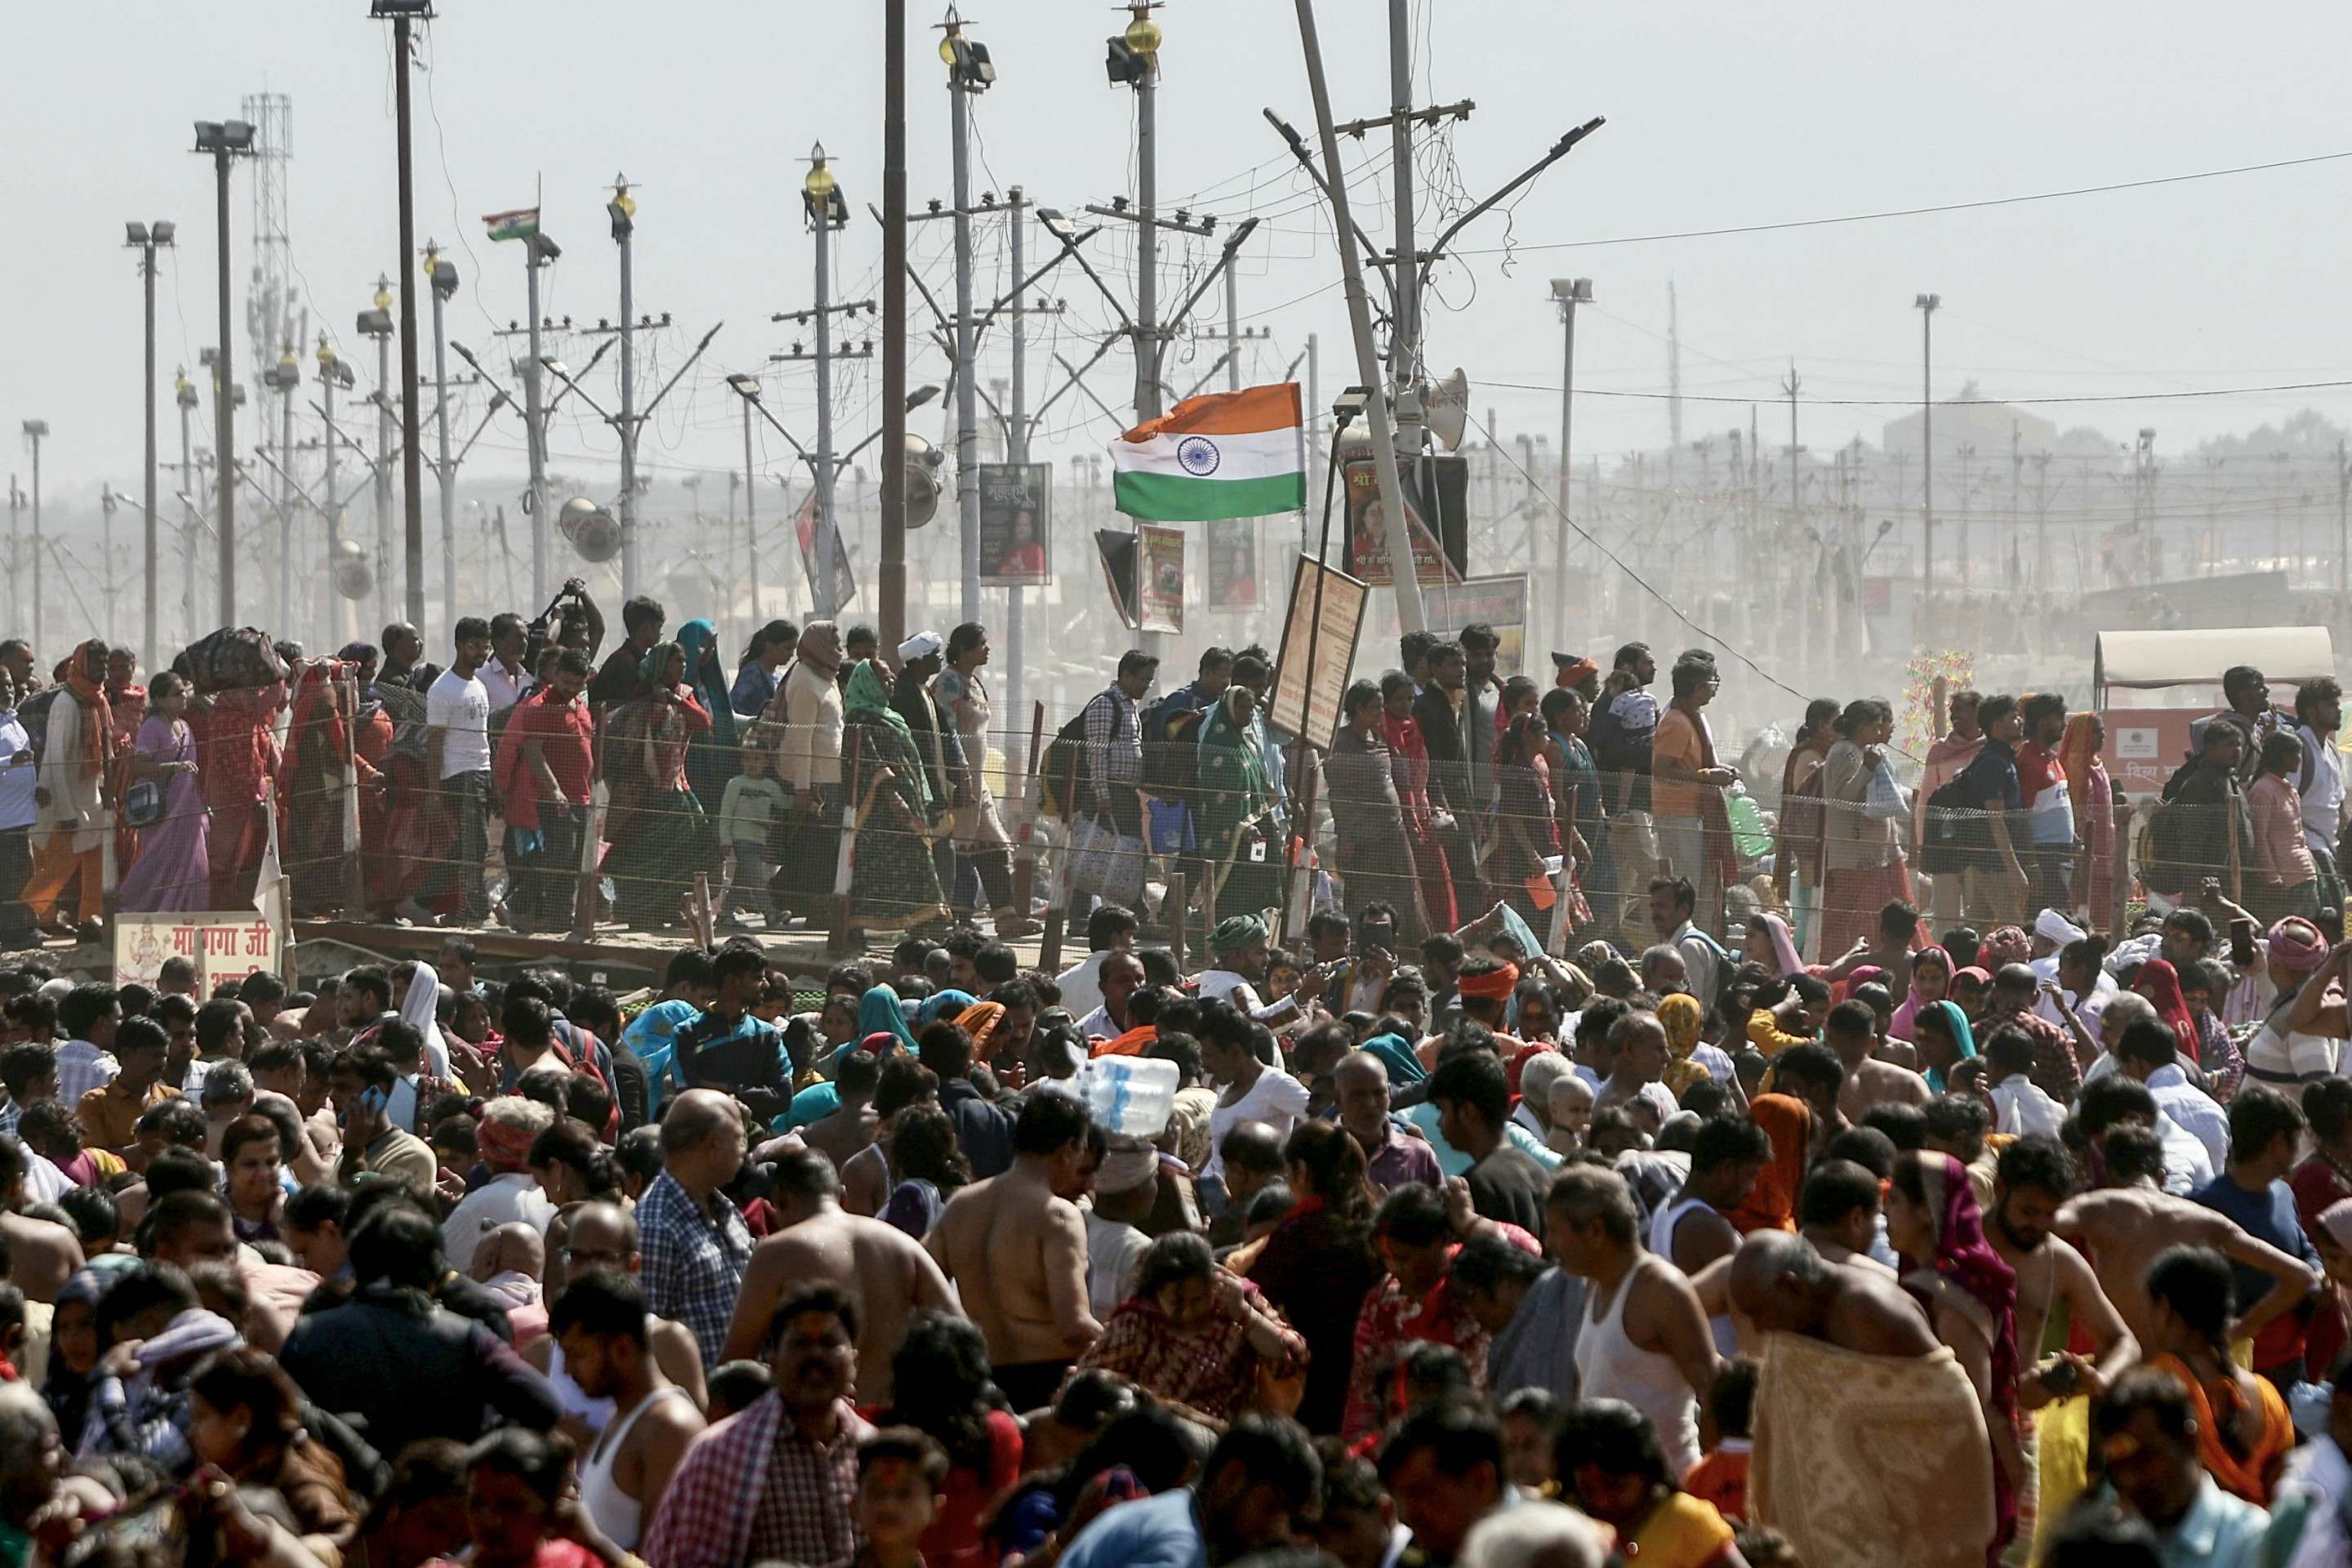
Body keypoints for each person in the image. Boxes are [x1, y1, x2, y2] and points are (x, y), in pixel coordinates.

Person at [1726, 1230, 1998, 1568]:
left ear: (1792, 1286)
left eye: (1760, 1312)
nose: (1761, 1328)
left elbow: (1950, 1408)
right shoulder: (1804, 1318)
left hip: (1891, 1529)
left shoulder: (1867, 1312)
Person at [278, 1202, 560, 1458]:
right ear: (433, 1274)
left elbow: (278, 1412)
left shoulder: (309, 1333)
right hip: (441, 1498)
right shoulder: (468, 1338)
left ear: (357, 1267)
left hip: (342, 1499)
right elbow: (544, 1407)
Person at [643, 1282, 875, 1568]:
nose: (815, 1356)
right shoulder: (720, 1455)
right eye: (801, 1343)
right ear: (773, 1363)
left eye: (828, 1343)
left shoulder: (872, 1449)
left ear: (854, 1363)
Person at [2055, 1122, 2320, 1349]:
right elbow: (2301, 1275)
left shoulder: (2097, 1207)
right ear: (2162, 1177)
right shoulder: (2205, 1220)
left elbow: (2045, 1224)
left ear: (2111, 1176)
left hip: (2120, 1382)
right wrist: (2241, 1329)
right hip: (2183, 1383)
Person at [722, 1150, 956, 1406]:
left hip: (817, 1425)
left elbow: (736, 1362)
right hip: (892, 1425)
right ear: (843, 1196)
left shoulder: (777, 1253)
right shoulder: (902, 1245)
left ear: (780, 1199)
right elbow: (961, 1336)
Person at [924, 1090, 1104, 1412]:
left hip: (982, 1383)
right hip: (1049, 1383)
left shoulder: (960, 1206)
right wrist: (1125, 1342)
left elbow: (921, 1282)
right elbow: (1074, 1324)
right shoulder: (1058, 1215)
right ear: (1068, 1151)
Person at [1885, 1147, 2023, 1553]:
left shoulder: (1951, 1296)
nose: (1885, 1214)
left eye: (1894, 1202)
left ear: (1927, 1210)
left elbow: (1967, 1404)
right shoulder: (1931, 1278)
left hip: (1960, 1479)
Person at [1550, 1165, 1719, 1479]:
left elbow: (1712, 1394)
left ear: (1595, 1232)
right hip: (1605, 1494)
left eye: (1556, 1232)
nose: (1549, 1243)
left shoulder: (1661, 1290)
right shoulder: (1593, 1287)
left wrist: (1712, 1490)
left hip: (1669, 1491)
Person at [1075, 1231, 1303, 1426]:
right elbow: (1087, 1382)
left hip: (1230, 1438)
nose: (1187, 1313)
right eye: (1176, 1304)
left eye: (1197, 1300)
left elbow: (1291, 1354)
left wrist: (1244, 1314)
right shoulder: (1137, 1321)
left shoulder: (1233, 1302)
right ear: (1155, 1294)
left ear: (1212, 1285)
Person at [1243, 1118, 1384, 1432]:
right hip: (1377, 1381)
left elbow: (1255, 1294)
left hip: (1319, 1384)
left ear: (1302, 1171)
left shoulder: (1300, 1234)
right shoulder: (1375, 1225)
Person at [549, 1267, 705, 1552]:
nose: (566, 1370)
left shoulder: (669, 1429)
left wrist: (590, 1542)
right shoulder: (622, 1415)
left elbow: (663, 1558)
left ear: (622, 1348)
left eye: (578, 1354)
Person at [2137, 1244, 2297, 1505]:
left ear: (2165, 1308)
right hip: (2263, 1541)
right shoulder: (2268, 1394)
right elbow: (2282, 1485)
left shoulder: (2160, 1385)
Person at [1054, 1414, 1322, 1568]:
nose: (1276, 1530)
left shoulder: (1166, 1513)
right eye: (1271, 1506)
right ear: (1233, 1477)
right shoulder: (1179, 1548)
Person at [2189, 1084, 2324, 1389]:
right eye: (2295, 1141)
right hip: (2238, 1369)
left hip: (2291, 1363)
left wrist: (2316, 1275)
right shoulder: (2204, 1207)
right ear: (2277, 1143)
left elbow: (2305, 1248)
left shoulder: (2284, 1192)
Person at [2089, 1367, 2274, 1567]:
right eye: (2119, 1466)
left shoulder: (2250, 1539)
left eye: (2146, 1458)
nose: (2131, 1478)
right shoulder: (2103, 1541)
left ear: (2190, 1441)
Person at [635, 1090, 753, 1370]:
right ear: (712, 1145)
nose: (744, 1149)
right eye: (739, 1138)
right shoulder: (656, 1226)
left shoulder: (725, 1210)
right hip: (698, 1402)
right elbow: (647, 1338)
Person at [1552, 1398, 1745, 1568]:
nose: (1602, 1500)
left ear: (1646, 1473)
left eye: (1615, 1486)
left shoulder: (1687, 1521)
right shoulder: (1558, 1513)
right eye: (1589, 1489)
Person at [935, 622, 1038, 938]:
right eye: (982, 644)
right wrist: (959, 774)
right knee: (963, 848)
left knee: (995, 846)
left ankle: (1006, 918)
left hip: (978, 781)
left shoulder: (975, 683)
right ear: (965, 649)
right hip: (959, 779)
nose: (987, 649)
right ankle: (961, 920)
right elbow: (945, 731)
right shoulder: (948, 682)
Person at [604, 641, 715, 929]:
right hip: (644, 794)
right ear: (660, 664)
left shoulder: (685, 694)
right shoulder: (640, 698)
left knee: (690, 844)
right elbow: (631, 744)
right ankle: (641, 911)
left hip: (677, 786)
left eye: (683, 661)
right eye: (675, 661)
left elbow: (703, 722)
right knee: (647, 852)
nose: (682, 666)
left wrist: (674, 700)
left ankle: (670, 906)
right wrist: (656, 703)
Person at [843, 657, 953, 930]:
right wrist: (894, 798)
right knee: (887, 867)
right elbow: (870, 760)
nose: (890, 682)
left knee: (914, 864)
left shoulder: (891, 716)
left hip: (906, 803)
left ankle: (920, 924)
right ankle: (863, 926)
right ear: (867, 683)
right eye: (883, 678)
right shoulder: (859, 718)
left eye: (892, 677)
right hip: (882, 811)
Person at [498, 648, 597, 936]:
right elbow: (533, 753)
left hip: (581, 795)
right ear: (554, 675)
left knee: (573, 860)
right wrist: (555, 791)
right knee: (558, 855)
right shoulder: (542, 707)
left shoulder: (579, 704)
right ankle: (516, 904)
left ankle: (559, 917)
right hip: (555, 799)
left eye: (578, 684)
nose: (571, 689)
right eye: (566, 682)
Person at [1329, 680, 1430, 947]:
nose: (1380, 713)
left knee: (1405, 891)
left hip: (1393, 831)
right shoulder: (1341, 744)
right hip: (1364, 837)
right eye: (1375, 708)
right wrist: (1347, 837)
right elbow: (1339, 795)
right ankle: (1361, 946)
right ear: (1359, 709)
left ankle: (1406, 948)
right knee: (1365, 894)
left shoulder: (1381, 738)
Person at [21, 641, 111, 938]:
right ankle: (24, 914)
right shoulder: (67, 703)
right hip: (66, 800)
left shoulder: (97, 700)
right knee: (59, 866)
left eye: (105, 664)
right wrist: (67, 811)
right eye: (97, 664)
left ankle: (89, 919)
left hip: (90, 797)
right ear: (82, 665)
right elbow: (57, 760)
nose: (104, 670)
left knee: (95, 863)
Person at [768, 620, 848, 920]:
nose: (838, 649)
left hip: (830, 777)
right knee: (816, 848)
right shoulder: (803, 680)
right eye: (833, 642)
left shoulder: (825, 676)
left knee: (822, 847)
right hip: (814, 780)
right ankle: (808, 908)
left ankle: (809, 906)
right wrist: (802, 788)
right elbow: (800, 738)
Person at [1650, 653, 1735, 934]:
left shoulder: (1696, 718)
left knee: (1704, 885)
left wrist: (1723, 771)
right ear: (1698, 687)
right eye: (1713, 682)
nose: (1716, 688)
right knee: (1687, 887)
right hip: (1678, 815)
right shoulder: (1675, 721)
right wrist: (1707, 776)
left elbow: (1697, 764)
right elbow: (1661, 769)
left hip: (1697, 812)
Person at [1819, 698, 1908, 959]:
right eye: (1876, 726)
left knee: (1871, 916)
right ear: (1863, 726)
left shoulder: (1860, 750)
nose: (1880, 732)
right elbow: (1842, 798)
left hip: (1870, 855)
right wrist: (1868, 767)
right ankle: (1837, 965)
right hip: (1852, 855)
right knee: (1843, 920)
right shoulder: (1846, 752)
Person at [114, 670, 209, 913]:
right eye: (176, 694)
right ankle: (133, 909)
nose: (183, 697)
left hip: (188, 811)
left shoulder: (186, 727)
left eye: (183, 692)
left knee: (194, 867)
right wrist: (173, 767)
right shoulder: (152, 728)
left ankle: (185, 917)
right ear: (159, 700)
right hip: (163, 812)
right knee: (157, 862)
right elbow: (138, 765)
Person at [1429, 1049, 1551, 1232]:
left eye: (1443, 1111)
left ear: (1467, 1112)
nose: (1439, 1123)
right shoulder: (1538, 1173)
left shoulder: (1477, 1186)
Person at [1196, 680, 1284, 922]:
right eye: (1243, 708)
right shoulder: (1218, 743)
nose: (1248, 713)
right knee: (1231, 888)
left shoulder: (1247, 742)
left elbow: (1258, 780)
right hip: (1229, 831)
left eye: (1251, 708)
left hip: (1257, 825)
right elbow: (1216, 792)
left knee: (1259, 881)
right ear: (1230, 708)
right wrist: (1243, 827)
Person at [1384, 670, 1459, 933]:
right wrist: (1410, 818)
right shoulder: (1385, 734)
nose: (1406, 705)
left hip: (1423, 814)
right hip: (1402, 820)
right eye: (1399, 699)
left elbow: (1424, 776)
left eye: (1409, 698)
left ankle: (1442, 934)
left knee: (1437, 879)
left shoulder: (1414, 728)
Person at [2249, 731, 2322, 925]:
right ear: (2281, 756)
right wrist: (2272, 877)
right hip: (2286, 880)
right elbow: (2260, 836)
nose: (2299, 759)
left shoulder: (2289, 789)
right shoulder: (2263, 790)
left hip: (2304, 872)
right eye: (2295, 754)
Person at [2057, 711, 2116, 921]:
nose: (2104, 736)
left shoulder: (2097, 765)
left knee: (2104, 907)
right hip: (2082, 851)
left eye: (2103, 731)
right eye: (2097, 732)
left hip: (2104, 849)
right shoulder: (2074, 768)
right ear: (2084, 735)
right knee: (2081, 905)